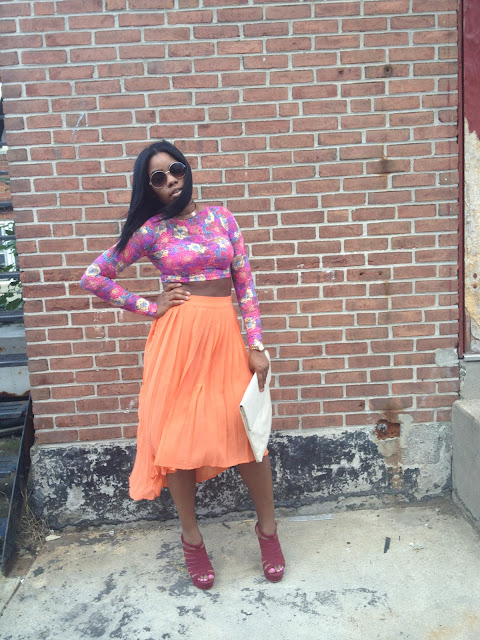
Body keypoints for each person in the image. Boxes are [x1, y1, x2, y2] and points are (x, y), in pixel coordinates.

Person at [80, 140, 285, 589]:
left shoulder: (222, 218)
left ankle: (268, 531)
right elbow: (94, 277)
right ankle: (192, 538)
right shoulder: (151, 231)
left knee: (247, 434)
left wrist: (256, 344)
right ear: (149, 188)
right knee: (177, 438)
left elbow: (245, 285)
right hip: (177, 341)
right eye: (158, 177)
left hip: (224, 337)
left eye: (176, 169)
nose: (171, 180)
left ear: (187, 171)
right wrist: (149, 306)